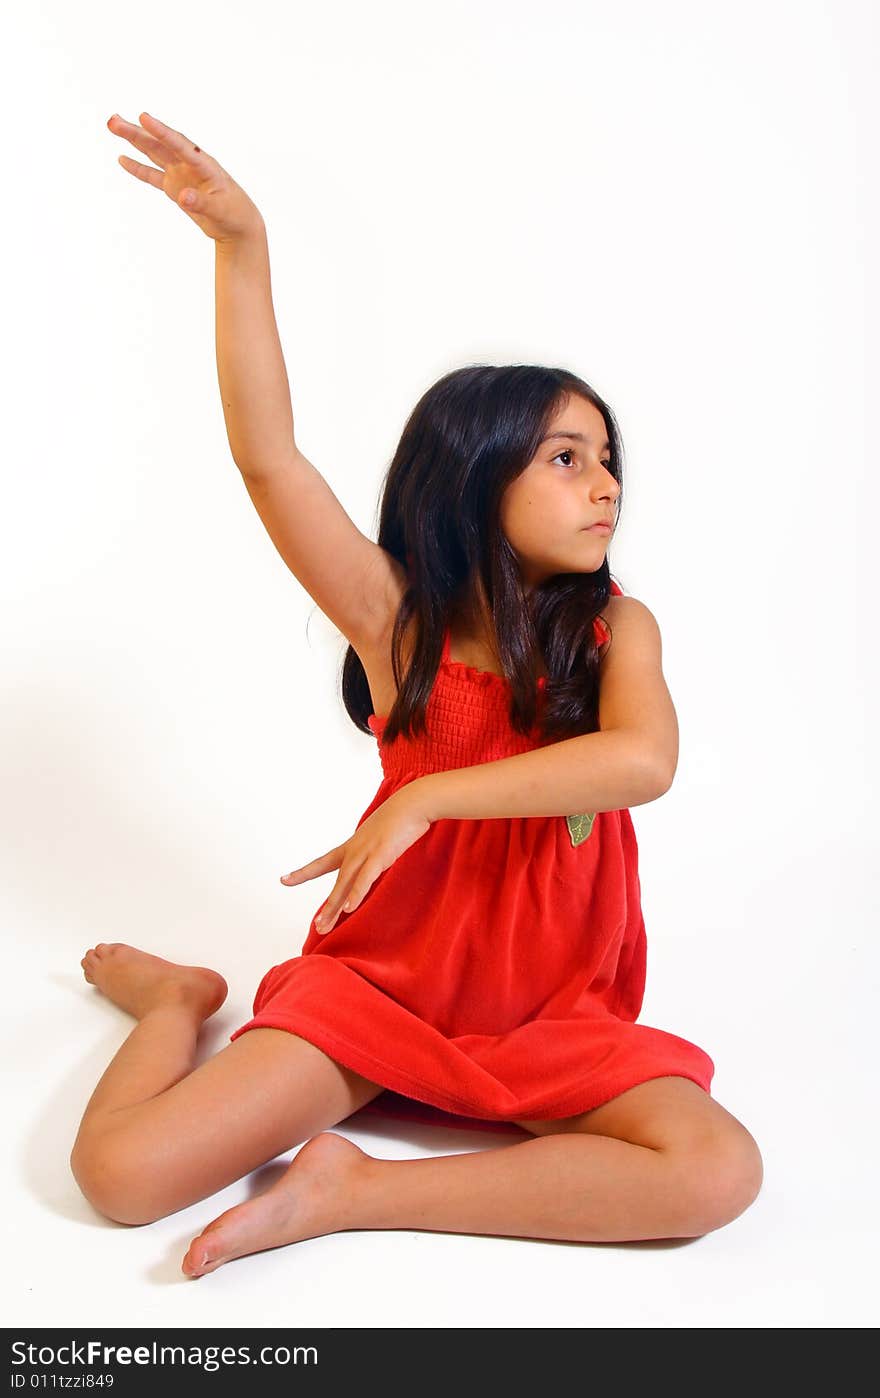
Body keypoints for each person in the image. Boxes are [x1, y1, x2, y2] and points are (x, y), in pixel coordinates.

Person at [70, 110, 763, 1279]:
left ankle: (357, 1189)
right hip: (378, 993)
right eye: (564, 457)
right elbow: (270, 458)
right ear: (472, 477)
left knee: (714, 1171)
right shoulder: (400, 627)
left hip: (548, 1018)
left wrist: (425, 802)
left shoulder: (614, 633)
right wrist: (245, 250)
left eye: (606, 460)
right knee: (123, 1179)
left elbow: (642, 763)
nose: (603, 486)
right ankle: (175, 1005)